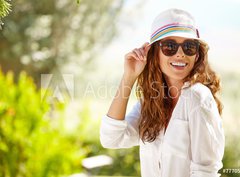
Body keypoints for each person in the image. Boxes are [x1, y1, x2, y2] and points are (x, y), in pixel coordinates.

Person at [100, 8, 225, 177]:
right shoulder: (151, 101)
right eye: (169, 46)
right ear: (155, 53)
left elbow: (205, 172)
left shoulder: (198, 97)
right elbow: (111, 138)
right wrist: (129, 77)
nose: (180, 54)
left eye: (189, 46)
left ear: (196, 55)